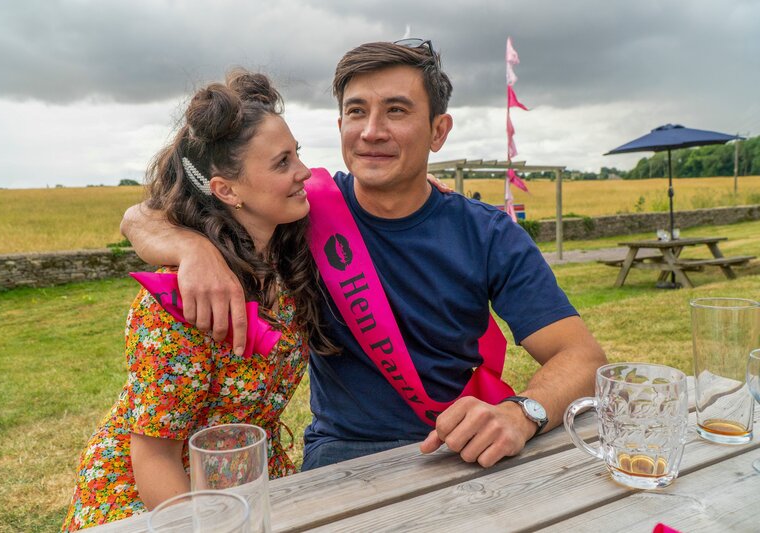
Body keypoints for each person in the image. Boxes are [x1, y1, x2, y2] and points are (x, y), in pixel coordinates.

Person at [121, 40, 607, 472]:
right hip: (343, 454)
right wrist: (192, 247)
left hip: (457, 446)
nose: (372, 131)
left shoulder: (488, 233)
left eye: (396, 111)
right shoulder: (302, 210)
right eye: (357, 111)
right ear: (341, 125)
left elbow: (582, 357)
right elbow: (142, 215)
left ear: (438, 131)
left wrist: (521, 413)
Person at [62, 71, 334, 531]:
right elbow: (154, 455)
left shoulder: (288, 258)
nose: (303, 171)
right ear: (227, 190)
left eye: (298, 153)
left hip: (249, 484)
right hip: (158, 501)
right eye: (282, 163)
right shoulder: (176, 302)